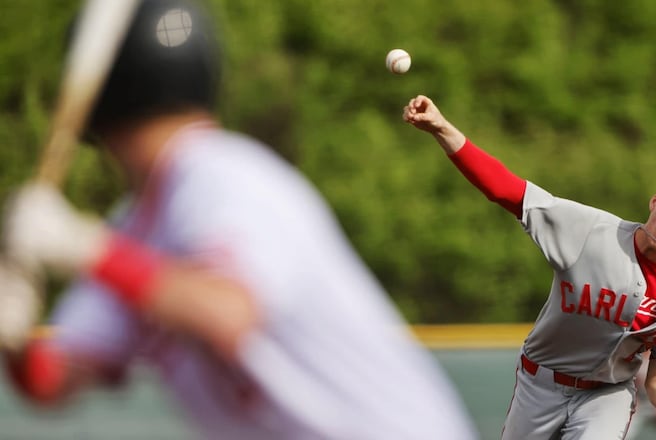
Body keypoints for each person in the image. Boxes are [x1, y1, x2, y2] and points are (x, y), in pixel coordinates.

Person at [0, 2, 479, 439]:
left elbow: (227, 314)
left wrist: (85, 250)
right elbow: (53, 384)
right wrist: (14, 336)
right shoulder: (132, 232)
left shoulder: (220, 173)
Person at [402, 94, 656, 439]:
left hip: (606, 395)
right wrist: (441, 128)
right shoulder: (588, 231)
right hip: (539, 383)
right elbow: (504, 188)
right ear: (655, 200)